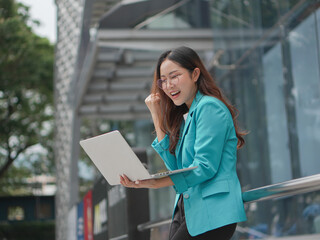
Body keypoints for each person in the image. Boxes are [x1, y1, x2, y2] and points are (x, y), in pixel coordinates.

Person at [120, 46, 247, 239]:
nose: (168, 85)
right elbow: (176, 167)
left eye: (175, 76)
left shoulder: (209, 107)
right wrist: (156, 114)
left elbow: (204, 167)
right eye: (163, 80)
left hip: (212, 211)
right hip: (188, 209)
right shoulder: (186, 117)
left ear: (195, 74)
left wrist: (156, 183)